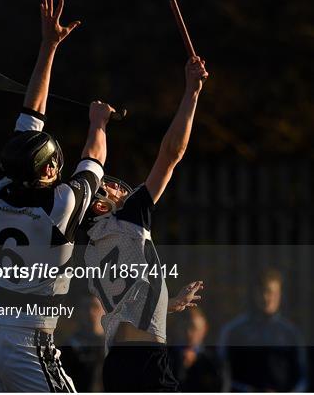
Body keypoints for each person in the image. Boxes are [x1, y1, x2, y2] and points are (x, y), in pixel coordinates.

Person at [0, 0, 114, 392]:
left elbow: (31, 112)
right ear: (49, 169)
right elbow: (93, 160)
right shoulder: (61, 205)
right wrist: (100, 122)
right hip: (27, 344)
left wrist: (48, 46)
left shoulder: (4, 188)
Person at [85, 56, 208, 392]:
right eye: (107, 186)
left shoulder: (91, 246)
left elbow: (129, 311)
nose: (115, 185)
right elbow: (172, 153)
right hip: (148, 362)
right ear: (100, 205)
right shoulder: (128, 216)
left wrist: (168, 304)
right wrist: (191, 93)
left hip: (117, 365)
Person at [219, 267, 308, 392]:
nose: (268, 298)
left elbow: (302, 378)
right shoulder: (234, 331)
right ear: (255, 294)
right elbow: (223, 375)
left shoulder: (291, 333)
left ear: (280, 295)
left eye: (274, 293)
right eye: (264, 292)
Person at [169, 308, 224, 392]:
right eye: (184, 327)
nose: (188, 333)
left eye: (193, 327)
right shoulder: (164, 357)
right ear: (176, 328)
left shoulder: (214, 360)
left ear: (204, 328)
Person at [60, 295, 105, 392]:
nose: (90, 312)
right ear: (79, 312)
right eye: (86, 307)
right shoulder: (68, 347)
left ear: (104, 311)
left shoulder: (113, 344)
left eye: (95, 307)